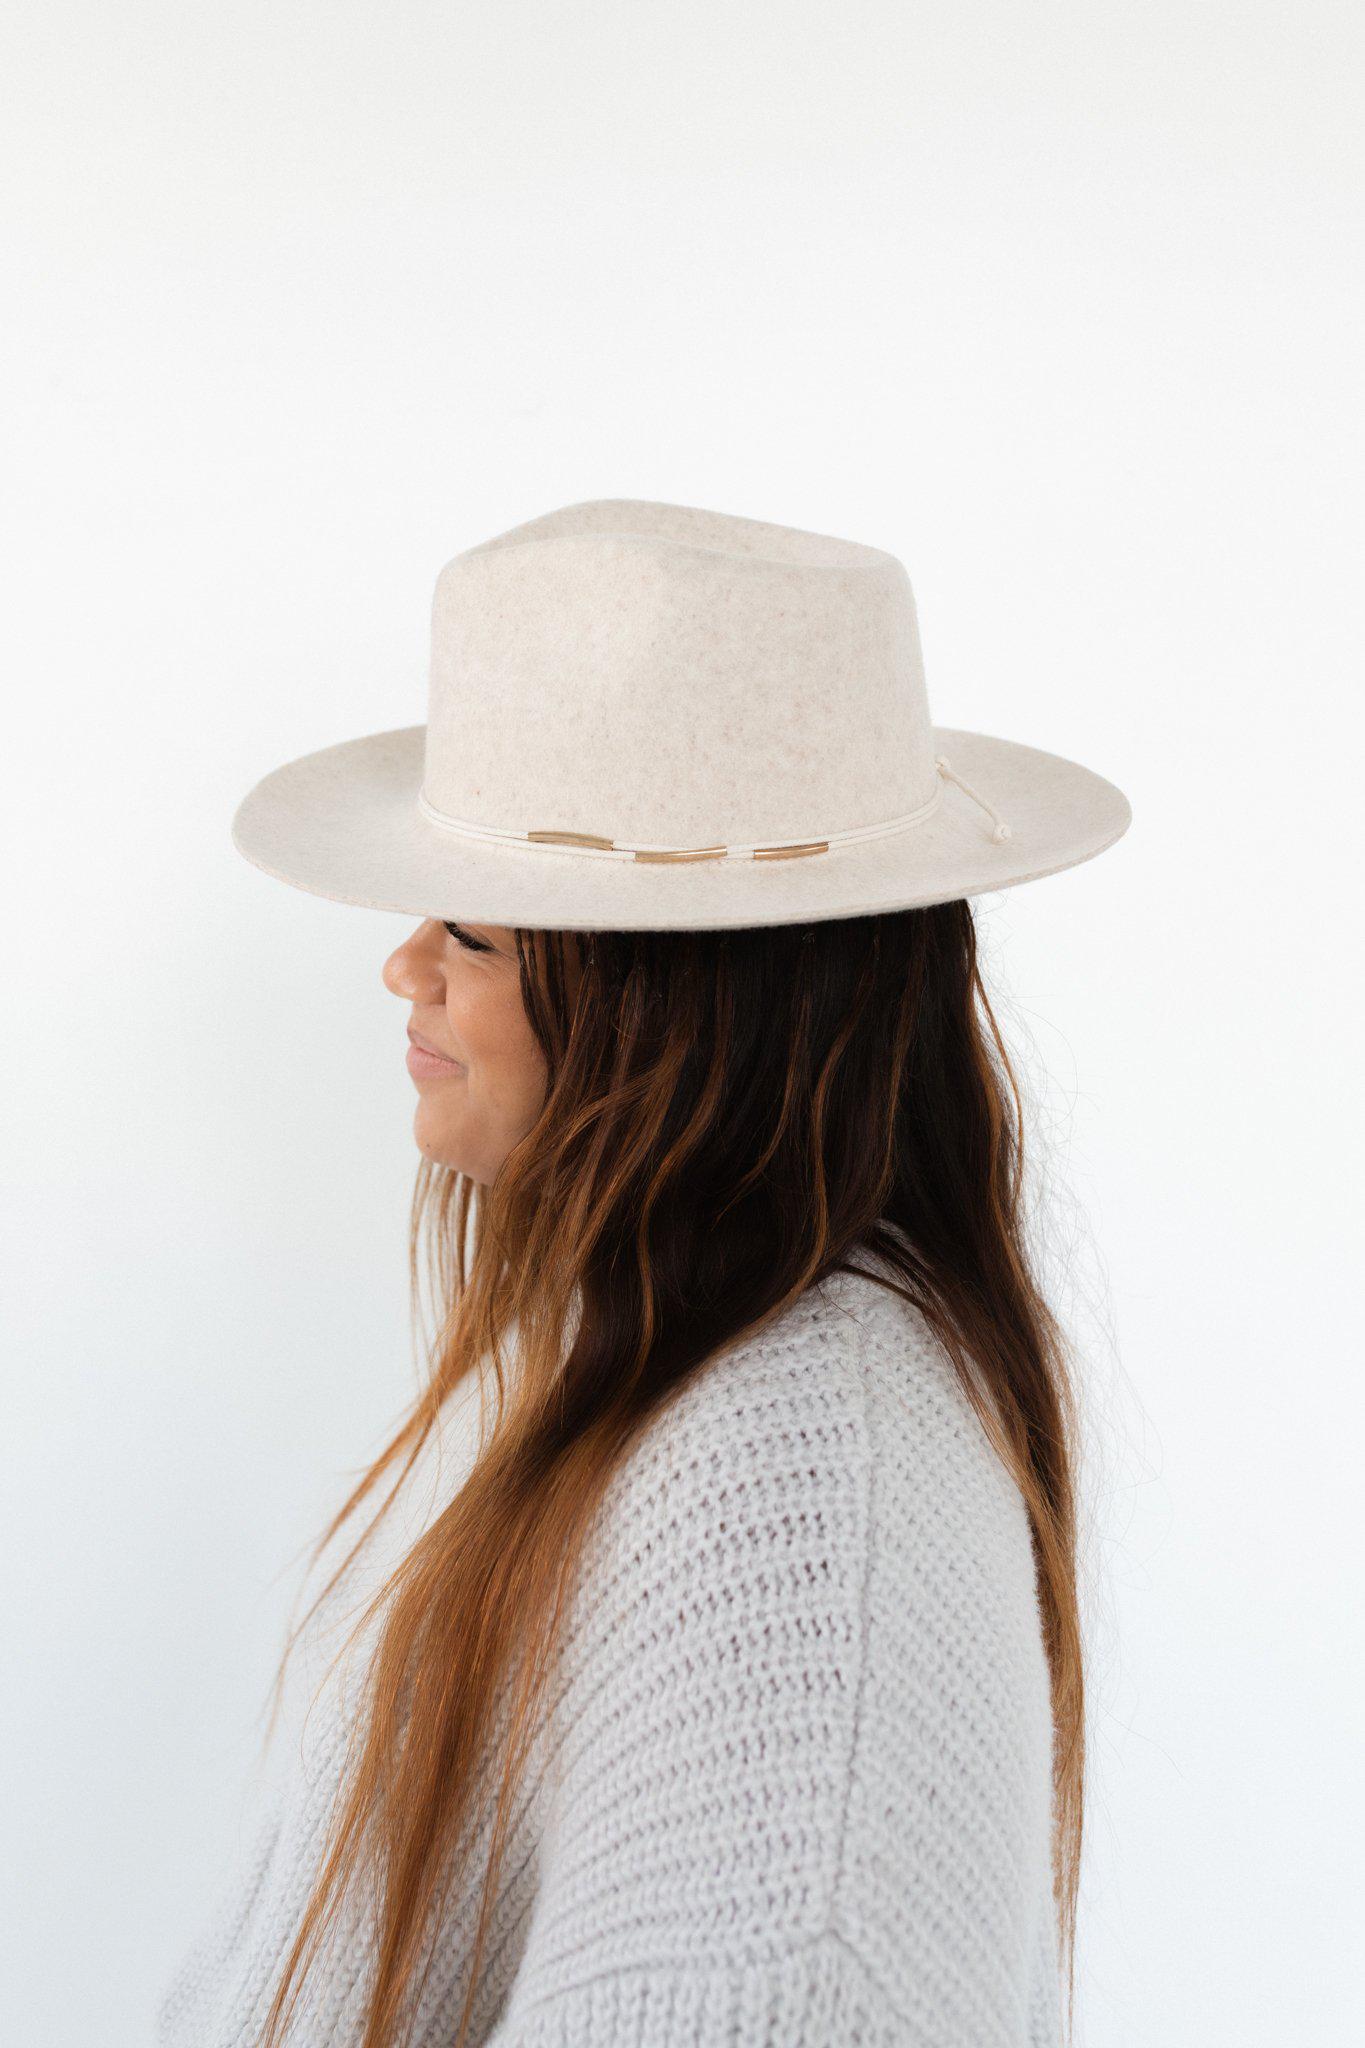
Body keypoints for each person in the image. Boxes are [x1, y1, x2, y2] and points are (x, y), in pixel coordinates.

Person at [155, 498, 1131, 2047]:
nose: (403, 967)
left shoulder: (799, 1503)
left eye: (471, 932)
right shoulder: (687, 1372)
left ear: (678, 1004)